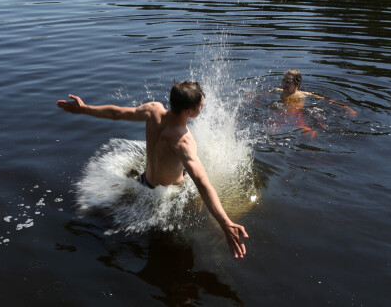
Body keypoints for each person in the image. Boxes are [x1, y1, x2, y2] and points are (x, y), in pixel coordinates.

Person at [57, 80, 248, 258]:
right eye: (200, 105)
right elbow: (202, 182)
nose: (203, 106)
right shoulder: (183, 141)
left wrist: (84, 109)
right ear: (188, 111)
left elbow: (117, 113)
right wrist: (225, 223)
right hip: (166, 196)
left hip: (143, 182)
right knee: (196, 231)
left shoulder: (153, 110)